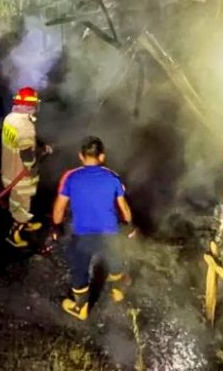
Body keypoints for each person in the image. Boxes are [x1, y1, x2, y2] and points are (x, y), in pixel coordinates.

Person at [51, 136, 135, 321]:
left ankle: (81, 307)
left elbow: (59, 208)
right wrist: (130, 227)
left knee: (79, 268)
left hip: (83, 235)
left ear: (81, 156)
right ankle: (118, 290)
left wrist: (56, 227)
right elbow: (124, 208)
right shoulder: (112, 178)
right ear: (102, 157)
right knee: (115, 259)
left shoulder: (71, 178)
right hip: (109, 233)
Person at [0, 87, 52, 248]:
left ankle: (25, 221)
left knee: (17, 202)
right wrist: (39, 157)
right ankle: (15, 234)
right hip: (20, 176)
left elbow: (19, 144)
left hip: (8, 168)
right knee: (22, 205)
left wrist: (41, 146)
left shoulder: (10, 118)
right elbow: (27, 156)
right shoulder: (26, 126)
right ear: (30, 106)